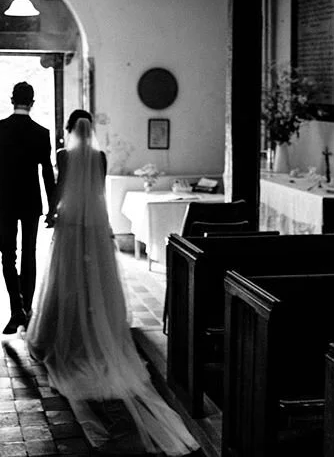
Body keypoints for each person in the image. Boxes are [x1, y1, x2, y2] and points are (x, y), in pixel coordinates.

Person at [26, 112, 200, 455]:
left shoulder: (63, 157)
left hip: (71, 227)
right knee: (97, 286)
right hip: (93, 226)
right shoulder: (100, 157)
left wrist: (53, 213)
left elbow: (62, 190)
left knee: (67, 282)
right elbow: (97, 191)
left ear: (68, 131)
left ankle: (67, 330)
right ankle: (97, 328)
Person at [0, 82, 56, 335]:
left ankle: (16, 307)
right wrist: (52, 206)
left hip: (4, 200)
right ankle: (28, 308)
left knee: (7, 254)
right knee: (29, 253)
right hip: (30, 202)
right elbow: (47, 173)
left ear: (11, 99)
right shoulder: (41, 132)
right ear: (32, 102)